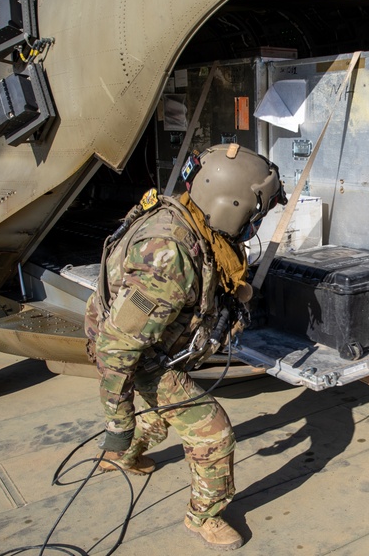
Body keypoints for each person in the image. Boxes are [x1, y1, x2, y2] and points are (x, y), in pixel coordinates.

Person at [84, 143, 286, 550]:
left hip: (150, 345)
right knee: (212, 434)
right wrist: (117, 427)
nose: (254, 223)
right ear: (228, 206)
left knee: (165, 416)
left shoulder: (192, 217)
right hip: (137, 354)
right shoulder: (169, 259)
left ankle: (124, 457)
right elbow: (115, 351)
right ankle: (204, 516)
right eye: (253, 213)